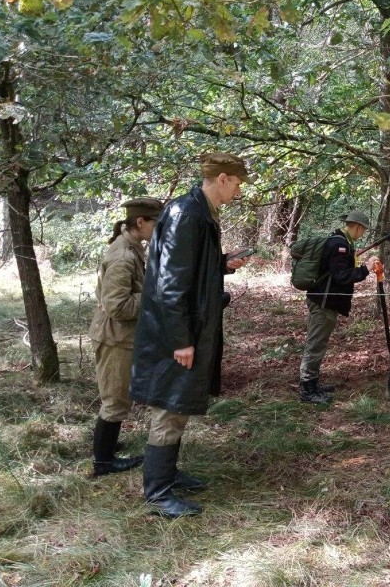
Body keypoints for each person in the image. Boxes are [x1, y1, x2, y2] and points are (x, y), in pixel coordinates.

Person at [130, 152, 252, 517]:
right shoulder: (187, 213)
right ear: (223, 178)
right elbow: (170, 284)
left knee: (178, 404)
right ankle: (157, 492)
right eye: (238, 183)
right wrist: (181, 340)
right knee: (170, 406)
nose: (239, 190)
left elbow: (192, 267)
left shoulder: (200, 211)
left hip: (188, 328)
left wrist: (222, 263)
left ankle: (168, 474)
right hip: (176, 334)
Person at [89, 197, 164, 477]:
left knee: (119, 398)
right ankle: (103, 463)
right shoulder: (123, 255)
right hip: (114, 337)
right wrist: (154, 297)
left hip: (122, 336)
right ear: (141, 222)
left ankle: (106, 452)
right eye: (158, 224)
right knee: (115, 401)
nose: (161, 229)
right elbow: (117, 306)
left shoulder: (132, 248)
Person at [299, 210, 379, 404]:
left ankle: (313, 383)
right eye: (363, 230)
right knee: (316, 343)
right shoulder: (339, 244)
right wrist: (365, 269)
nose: (363, 234)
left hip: (326, 301)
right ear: (358, 227)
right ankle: (307, 389)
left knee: (319, 342)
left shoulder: (340, 241)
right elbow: (341, 275)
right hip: (323, 302)